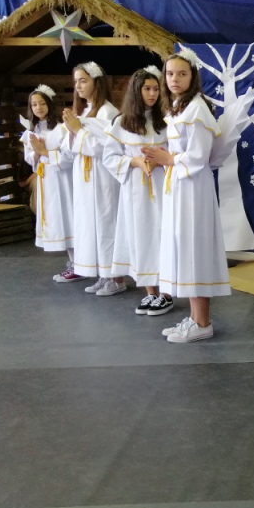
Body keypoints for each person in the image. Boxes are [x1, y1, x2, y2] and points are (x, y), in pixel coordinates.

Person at [142, 49, 229, 343]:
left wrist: (168, 159)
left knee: (195, 249)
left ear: (193, 77)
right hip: (180, 186)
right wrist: (164, 156)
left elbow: (199, 156)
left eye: (182, 74)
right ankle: (195, 318)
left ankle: (202, 322)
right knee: (185, 247)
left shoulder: (196, 109)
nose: (174, 79)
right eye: (170, 74)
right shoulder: (181, 106)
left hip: (193, 189)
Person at [102, 66, 173, 317]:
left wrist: (160, 160)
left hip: (163, 186)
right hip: (135, 190)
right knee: (140, 236)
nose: (152, 94)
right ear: (136, 91)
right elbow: (109, 157)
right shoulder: (122, 122)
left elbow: (178, 151)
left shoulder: (167, 120)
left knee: (162, 235)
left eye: (156, 89)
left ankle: (166, 293)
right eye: (147, 89)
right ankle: (150, 292)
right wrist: (134, 161)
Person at [59, 61, 124, 295]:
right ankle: (102, 274)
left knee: (106, 224)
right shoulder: (85, 111)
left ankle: (116, 278)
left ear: (97, 82)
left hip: (103, 178)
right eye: (76, 81)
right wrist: (71, 132)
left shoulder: (108, 111)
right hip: (85, 177)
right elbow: (69, 148)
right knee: (91, 225)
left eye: (83, 81)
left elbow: (105, 147)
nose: (78, 86)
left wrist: (78, 131)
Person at [20, 84, 77, 281]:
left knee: (69, 216)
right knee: (58, 219)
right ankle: (73, 262)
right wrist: (37, 151)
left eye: (42, 103)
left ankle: (79, 263)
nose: (39, 108)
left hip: (63, 179)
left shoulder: (62, 129)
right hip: (46, 181)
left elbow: (69, 155)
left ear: (50, 105)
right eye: (34, 104)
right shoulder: (31, 132)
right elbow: (30, 159)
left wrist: (44, 151)